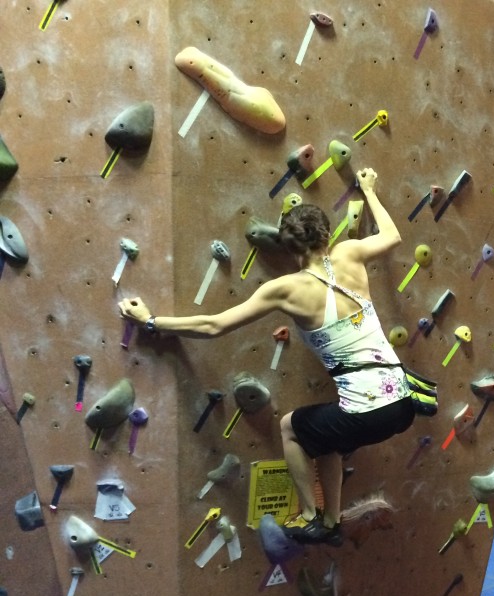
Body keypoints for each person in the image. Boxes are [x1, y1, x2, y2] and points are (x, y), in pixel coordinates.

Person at [119, 168, 414, 545]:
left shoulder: (287, 289)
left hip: (366, 414)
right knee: (327, 439)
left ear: (289, 249)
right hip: (402, 404)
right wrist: (370, 190)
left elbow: (214, 325)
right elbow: (392, 236)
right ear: (327, 234)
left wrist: (151, 321)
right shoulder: (350, 252)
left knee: (291, 426)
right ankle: (330, 521)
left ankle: (311, 517)